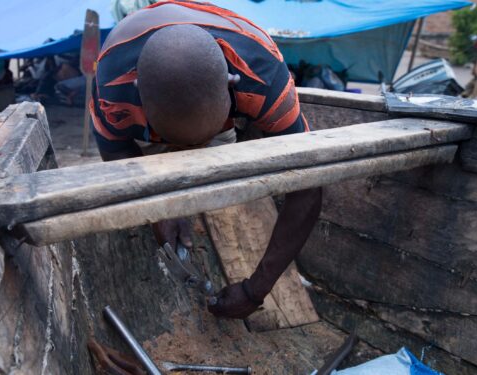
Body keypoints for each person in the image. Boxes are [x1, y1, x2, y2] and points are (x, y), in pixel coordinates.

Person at [90, 0, 322, 319]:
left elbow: (309, 185)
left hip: (227, 116)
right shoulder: (110, 85)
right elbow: (116, 152)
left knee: (229, 203)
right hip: (160, 125)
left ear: (231, 85)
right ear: (138, 92)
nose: (191, 151)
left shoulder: (266, 77)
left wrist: (256, 290)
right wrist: (158, 207)